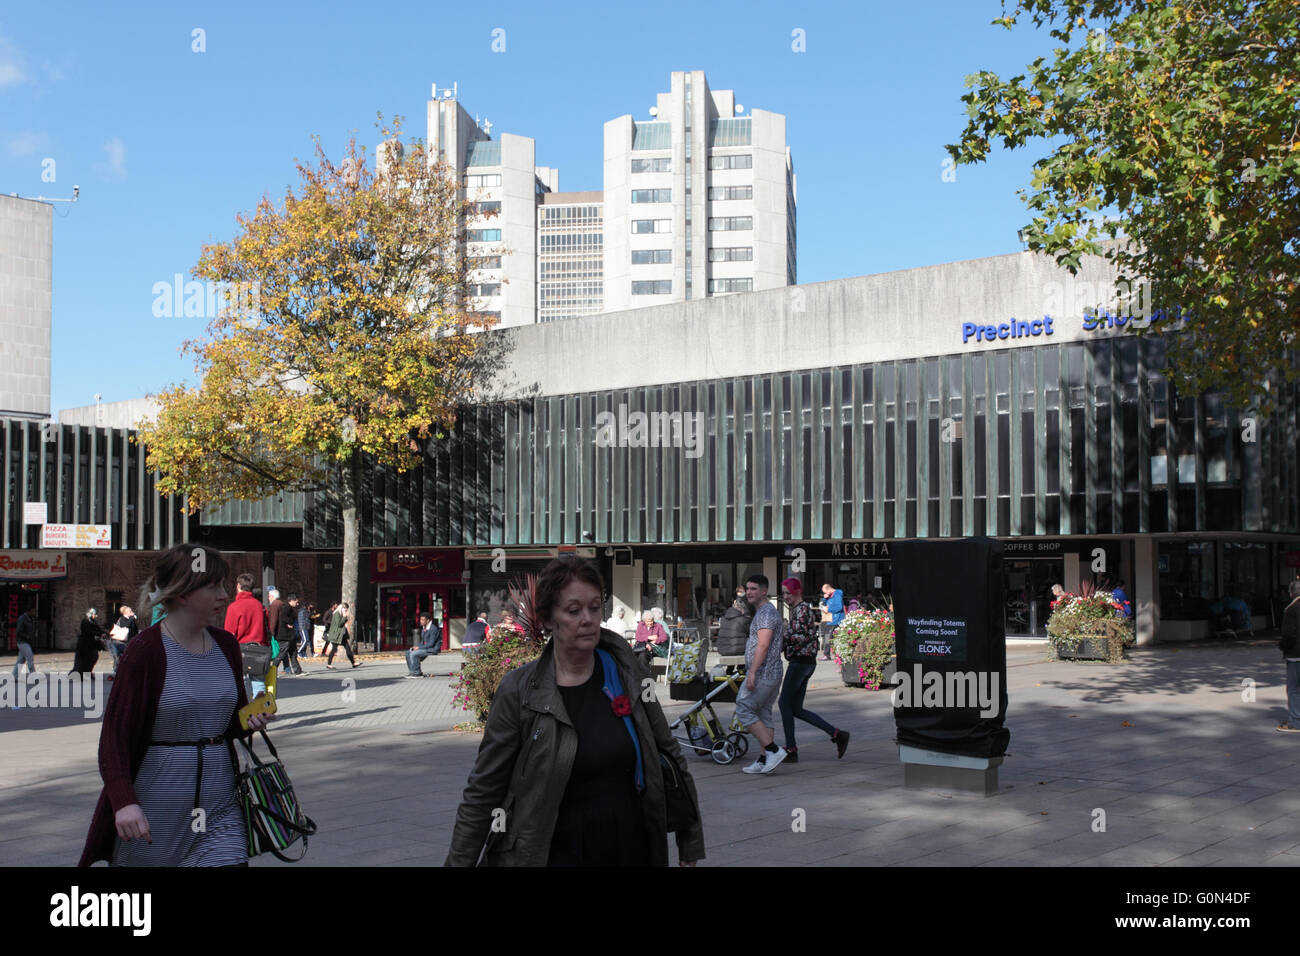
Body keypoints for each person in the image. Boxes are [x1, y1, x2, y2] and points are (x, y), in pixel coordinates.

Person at [445, 555, 704, 866]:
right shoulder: (519, 690)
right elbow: (484, 790)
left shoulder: (628, 675)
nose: (588, 619)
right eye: (573, 610)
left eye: (595, 608)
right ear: (549, 618)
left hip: (630, 846)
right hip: (553, 852)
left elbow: (669, 753)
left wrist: (690, 842)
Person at [78, 543, 273, 867]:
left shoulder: (226, 645)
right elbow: (114, 739)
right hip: (154, 816)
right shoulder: (145, 651)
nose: (224, 595)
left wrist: (252, 716)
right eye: (214, 587)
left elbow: (229, 722)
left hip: (220, 812)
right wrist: (124, 801)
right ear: (183, 593)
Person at [777, 578, 850, 763]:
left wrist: (781, 638)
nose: (786, 597)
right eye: (783, 593)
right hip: (805, 662)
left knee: (784, 704)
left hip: (800, 663)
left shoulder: (802, 610)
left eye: (788, 593)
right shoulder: (799, 610)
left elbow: (801, 636)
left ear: (796, 592)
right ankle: (836, 734)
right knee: (796, 709)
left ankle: (791, 749)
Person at [739, 575, 788, 774]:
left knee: (743, 707)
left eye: (753, 589)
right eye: (747, 589)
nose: (749, 592)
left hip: (763, 673)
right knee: (763, 714)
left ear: (764, 591)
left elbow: (763, 644)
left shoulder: (766, 613)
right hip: (770, 672)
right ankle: (763, 759)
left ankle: (773, 750)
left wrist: (751, 673)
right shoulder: (763, 612)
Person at [224, 573, 269, 697]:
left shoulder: (234, 607)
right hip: (259, 650)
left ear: (238, 586)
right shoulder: (260, 606)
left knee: (239, 684)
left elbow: (229, 633)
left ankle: (241, 712)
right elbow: (266, 629)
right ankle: (260, 712)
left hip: (239, 650)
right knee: (259, 685)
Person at [1279, 580, 1300, 733]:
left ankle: (1295, 721)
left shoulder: (1291, 610)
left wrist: (1283, 647)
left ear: (1291, 593)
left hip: (1296, 654)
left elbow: (1288, 635)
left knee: (1293, 689)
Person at [268, 591, 303, 676]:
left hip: (289, 635)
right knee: (281, 654)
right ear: (291, 600)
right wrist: (290, 622)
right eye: (296, 602)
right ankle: (272, 670)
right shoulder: (286, 608)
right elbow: (282, 617)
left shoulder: (287, 607)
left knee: (293, 653)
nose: (297, 604)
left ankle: (297, 670)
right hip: (285, 635)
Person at [10, 607, 37, 709]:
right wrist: (27, 637)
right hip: (22, 642)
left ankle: (14, 676)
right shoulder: (23, 618)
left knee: (21, 660)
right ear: (29, 610)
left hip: (26, 642)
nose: (35, 612)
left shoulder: (30, 619)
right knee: (30, 659)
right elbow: (18, 631)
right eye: (34, 610)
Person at [324, 601, 359, 669]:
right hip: (336, 635)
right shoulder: (337, 614)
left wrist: (344, 617)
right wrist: (345, 617)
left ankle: (353, 663)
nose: (346, 610)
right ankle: (329, 664)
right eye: (345, 609)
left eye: (346, 609)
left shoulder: (340, 614)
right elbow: (339, 624)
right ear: (342, 608)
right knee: (334, 649)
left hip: (341, 635)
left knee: (348, 648)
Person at [406, 612, 441, 678]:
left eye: (422, 620)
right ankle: (412, 672)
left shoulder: (433, 629)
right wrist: (416, 647)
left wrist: (419, 648)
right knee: (408, 653)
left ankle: (417, 673)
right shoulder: (424, 628)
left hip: (433, 649)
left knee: (414, 654)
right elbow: (422, 641)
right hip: (426, 648)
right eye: (420, 619)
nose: (421, 621)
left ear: (427, 620)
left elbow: (431, 644)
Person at [107, 605, 140, 675]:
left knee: (127, 657)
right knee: (118, 658)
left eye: (132, 611)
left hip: (127, 642)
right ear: (125, 613)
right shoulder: (122, 619)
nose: (132, 612)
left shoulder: (132, 620)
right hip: (117, 642)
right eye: (130, 611)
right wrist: (132, 618)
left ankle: (125, 672)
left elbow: (135, 631)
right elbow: (125, 625)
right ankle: (116, 674)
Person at [72, 608, 104, 675]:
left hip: (91, 644)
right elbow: (88, 631)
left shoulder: (93, 621)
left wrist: (104, 633)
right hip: (84, 644)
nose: (95, 616)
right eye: (94, 614)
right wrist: (98, 633)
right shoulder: (85, 621)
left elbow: (98, 629)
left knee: (93, 657)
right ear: (90, 614)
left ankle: (87, 672)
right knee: (83, 660)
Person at [818, 583, 845, 661]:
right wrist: (824, 598)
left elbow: (839, 607)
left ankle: (828, 655)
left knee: (828, 637)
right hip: (831, 619)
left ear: (829, 589)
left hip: (835, 620)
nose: (825, 594)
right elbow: (825, 603)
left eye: (825, 592)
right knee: (828, 637)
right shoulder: (830, 595)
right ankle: (829, 654)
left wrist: (828, 609)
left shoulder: (837, 594)